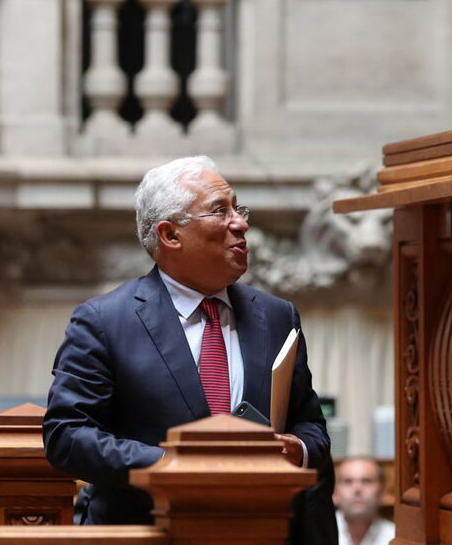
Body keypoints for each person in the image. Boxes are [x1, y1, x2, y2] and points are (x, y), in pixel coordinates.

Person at [42, 156, 336, 543]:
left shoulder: (278, 316)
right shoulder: (104, 321)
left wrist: (297, 449)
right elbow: (67, 436)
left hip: (263, 530)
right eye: (220, 210)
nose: (241, 223)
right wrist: (177, 465)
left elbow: (310, 424)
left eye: (238, 208)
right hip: (151, 532)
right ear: (171, 235)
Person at [334, 457, 395, 545]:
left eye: (366, 481)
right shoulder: (319, 532)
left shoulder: (394, 537)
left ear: (382, 491)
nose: (357, 489)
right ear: (335, 492)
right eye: (348, 481)